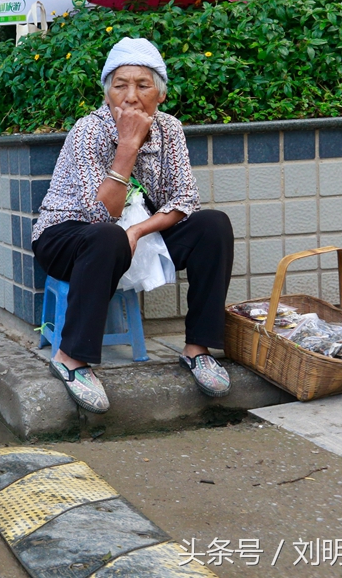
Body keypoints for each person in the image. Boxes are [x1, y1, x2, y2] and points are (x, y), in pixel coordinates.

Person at [32, 37, 234, 414]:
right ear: (107, 93)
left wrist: (139, 231)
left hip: (134, 233)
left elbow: (186, 199)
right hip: (67, 237)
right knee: (108, 235)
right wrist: (127, 145)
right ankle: (71, 358)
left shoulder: (170, 129)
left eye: (143, 85)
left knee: (212, 225)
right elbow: (101, 214)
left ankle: (197, 350)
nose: (130, 96)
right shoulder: (88, 130)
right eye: (120, 85)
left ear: (160, 94)